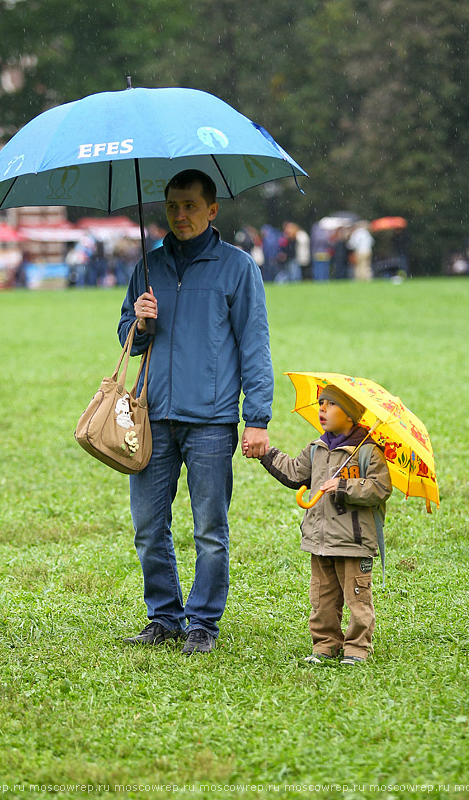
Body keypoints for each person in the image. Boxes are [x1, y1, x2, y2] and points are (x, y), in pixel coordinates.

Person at [118, 169, 273, 654]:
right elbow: (127, 335)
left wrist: (259, 418)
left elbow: (254, 343)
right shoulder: (148, 266)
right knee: (148, 526)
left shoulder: (238, 267)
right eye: (172, 206)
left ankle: (203, 621)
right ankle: (163, 617)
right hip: (152, 416)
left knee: (210, 529)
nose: (179, 215)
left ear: (212, 210)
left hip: (211, 420)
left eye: (189, 205)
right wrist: (139, 323)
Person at [253, 385, 392, 665]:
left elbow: (380, 487)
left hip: (354, 542)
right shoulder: (317, 448)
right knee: (322, 598)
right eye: (320, 403)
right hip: (321, 539)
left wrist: (344, 485)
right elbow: (294, 473)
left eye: (330, 405)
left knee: (357, 598)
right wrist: (265, 454)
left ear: (350, 415)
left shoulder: (366, 452)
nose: (322, 410)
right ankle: (325, 644)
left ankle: (356, 649)